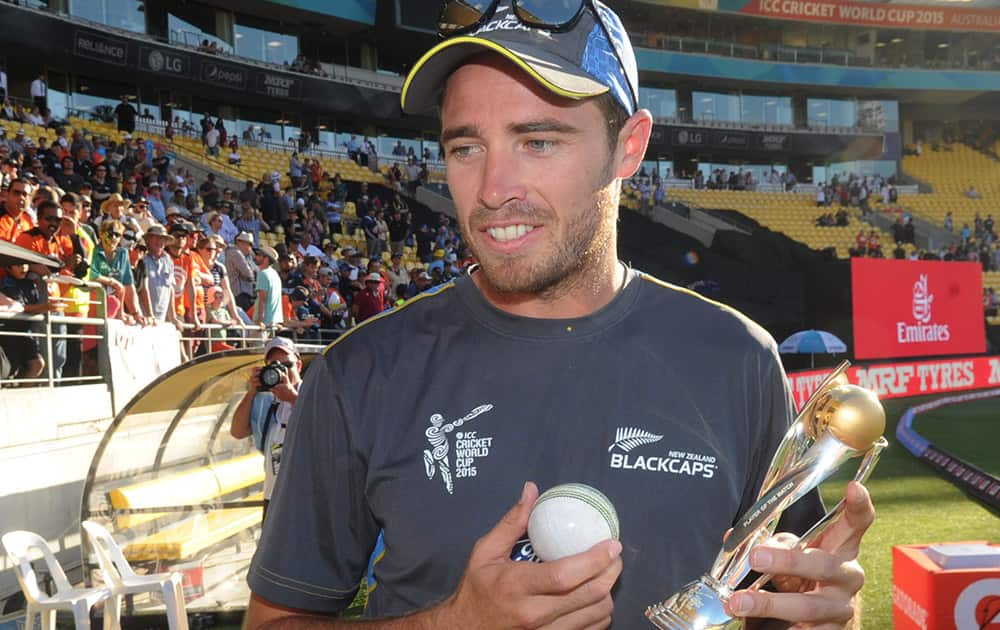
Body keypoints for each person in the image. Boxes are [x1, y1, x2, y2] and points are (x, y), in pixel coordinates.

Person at [245, 4, 873, 630]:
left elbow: (779, 589)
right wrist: (452, 624)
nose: (493, 188)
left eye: (537, 141)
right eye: (466, 147)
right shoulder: (360, 373)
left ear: (628, 147)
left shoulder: (737, 358)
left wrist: (820, 615)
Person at [230, 336, 303, 520]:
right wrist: (252, 392)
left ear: (299, 366)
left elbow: (325, 427)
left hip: (306, 498)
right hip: (273, 498)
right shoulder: (264, 401)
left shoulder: (312, 394)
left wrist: (293, 398)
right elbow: (237, 432)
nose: (281, 372)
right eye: (273, 366)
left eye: (286, 365)